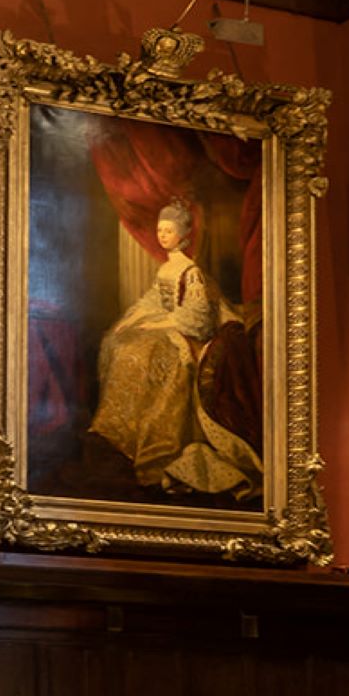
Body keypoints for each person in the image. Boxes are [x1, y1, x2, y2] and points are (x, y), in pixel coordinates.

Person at [87, 201, 258, 496]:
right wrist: (131, 321)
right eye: (160, 230)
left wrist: (157, 326)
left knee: (147, 354)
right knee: (121, 344)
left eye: (169, 231)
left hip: (189, 334)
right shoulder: (166, 268)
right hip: (169, 324)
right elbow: (153, 302)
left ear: (183, 235)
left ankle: (158, 446)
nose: (163, 235)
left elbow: (197, 318)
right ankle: (119, 433)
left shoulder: (191, 272)